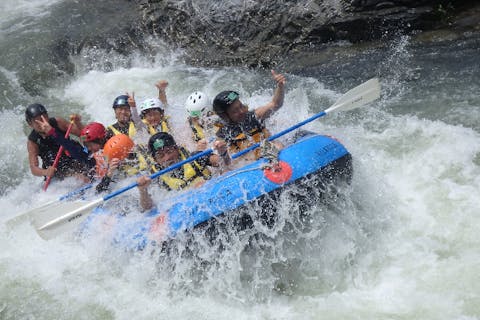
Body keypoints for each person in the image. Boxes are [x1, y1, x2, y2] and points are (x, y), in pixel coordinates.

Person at [136, 132, 231, 211]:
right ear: (155, 160)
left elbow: (225, 163)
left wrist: (223, 153)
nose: (167, 158)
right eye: (161, 155)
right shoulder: (156, 177)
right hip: (187, 210)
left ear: (177, 149)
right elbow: (148, 208)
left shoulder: (196, 157)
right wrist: (143, 190)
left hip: (213, 197)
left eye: (169, 151)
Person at [213, 70, 286, 161]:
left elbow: (275, 104)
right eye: (235, 111)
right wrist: (223, 153)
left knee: (277, 145)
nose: (241, 111)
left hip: (270, 152)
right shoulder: (223, 134)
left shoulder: (253, 116)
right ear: (225, 116)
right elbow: (227, 164)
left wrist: (280, 86)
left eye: (240, 106)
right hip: (249, 165)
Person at [25, 103, 92, 182]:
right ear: (30, 124)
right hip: (57, 168)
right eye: (37, 120)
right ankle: (77, 176)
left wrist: (78, 123)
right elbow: (33, 168)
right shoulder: (33, 141)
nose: (43, 122)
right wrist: (46, 172)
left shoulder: (58, 122)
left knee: (78, 148)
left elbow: (82, 135)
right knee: (51, 157)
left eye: (44, 117)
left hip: (72, 154)